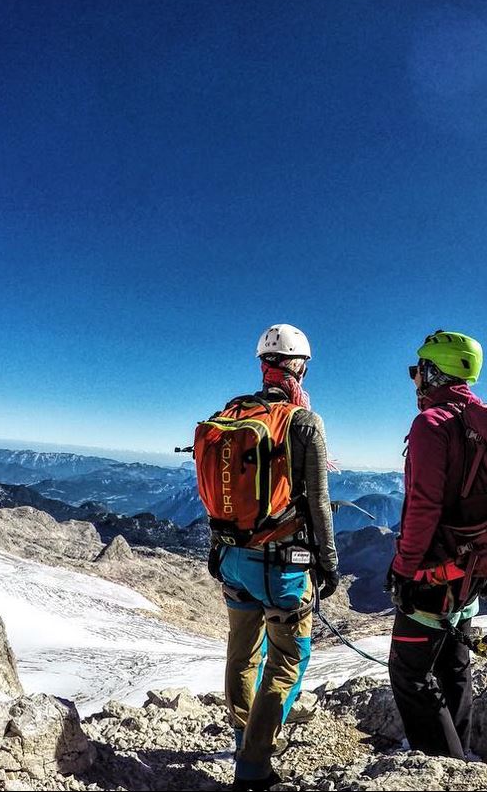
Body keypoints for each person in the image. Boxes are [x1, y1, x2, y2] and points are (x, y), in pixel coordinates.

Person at [198, 324, 339, 791]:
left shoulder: (231, 412)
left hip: (231, 557)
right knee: (287, 656)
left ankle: (244, 733)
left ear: (263, 364)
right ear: (299, 365)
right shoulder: (303, 423)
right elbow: (317, 503)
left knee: (242, 652)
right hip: (280, 563)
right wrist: (329, 563)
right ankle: (254, 766)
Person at [386, 329, 487, 759]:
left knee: (409, 674)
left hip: (434, 574)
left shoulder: (432, 425)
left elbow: (423, 507)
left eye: (417, 370)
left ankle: (442, 770)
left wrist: (404, 569)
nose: (414, 379)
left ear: (433, 371)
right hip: (475, 573)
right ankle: (461, 757)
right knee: (454, 668)